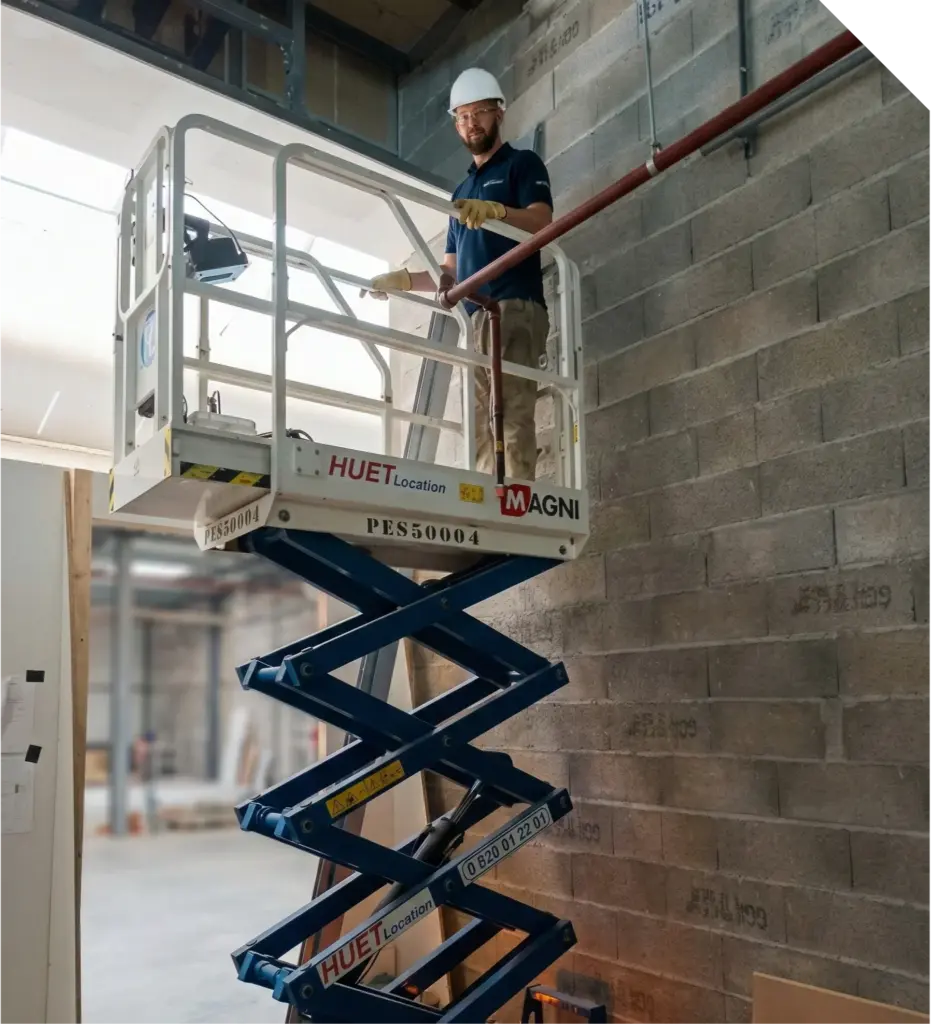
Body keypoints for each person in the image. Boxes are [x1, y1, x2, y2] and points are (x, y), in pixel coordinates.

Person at [361, 68, 553, 482]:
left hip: (513, 305)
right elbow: (450, 271)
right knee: (479, 421)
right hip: (473, 316)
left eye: (479, 113)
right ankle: (489, 497)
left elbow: (542, 221)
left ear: (498, 113)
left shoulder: (522, 164)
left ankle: (516, 498)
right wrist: (406, 281)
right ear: (456, 123)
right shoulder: (461, 193)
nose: (471, 123)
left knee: (512, 409)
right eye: (463, 116)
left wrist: (500, 212)